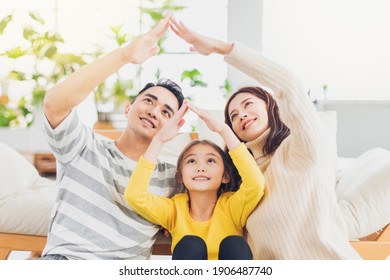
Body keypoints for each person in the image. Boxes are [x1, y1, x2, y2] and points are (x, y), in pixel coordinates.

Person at [170, 18, 363, 259]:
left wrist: (222, 48)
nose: (242, 115)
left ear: (271, 106)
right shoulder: (241, 186)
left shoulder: (303, 149)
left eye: (248, 104)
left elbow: (290, 86)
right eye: (233, 115)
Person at [40, 14, 187, 260]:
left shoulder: (173, 178)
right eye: (148, 101)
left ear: (175, 126)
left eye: (166, 112)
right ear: (128, 108)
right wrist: (124, 56)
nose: (153, 111)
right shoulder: (85, 146)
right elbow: (54, 104)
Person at [125, 101, 265, 260]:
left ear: (225, 176)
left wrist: (222, 129)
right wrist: (159, 140)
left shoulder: (231, 207)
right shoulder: (174, 210)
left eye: (211, 161)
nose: (200, 167)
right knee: (191, 244)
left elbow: (255, 184)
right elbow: (135, 196)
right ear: (180, 176)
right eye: (191, 161)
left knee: (234, 243)